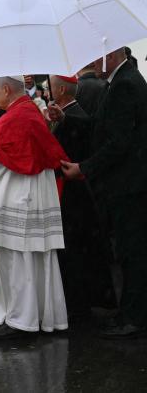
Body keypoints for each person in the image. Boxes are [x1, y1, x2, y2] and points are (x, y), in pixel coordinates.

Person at [0, 76, 69, 339]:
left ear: (6, 89)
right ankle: (26, 317)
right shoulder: (27, 112)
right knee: (27, 261)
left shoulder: (17, 117)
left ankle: (21, 322)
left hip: (17, 202)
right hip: (26, 200)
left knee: (18, 262)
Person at [62, 47, 147, 338]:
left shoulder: (125, 84)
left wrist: (84, 168)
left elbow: (118, 143)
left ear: (109, 55)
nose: (91, 62)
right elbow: (101, 127)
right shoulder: (119, 81)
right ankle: (128, 312)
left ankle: (134, 318)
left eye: (95, 55)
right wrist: (64, 117)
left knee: (132, 253)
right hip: (127, 184)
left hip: (130, 186)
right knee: (127, 251)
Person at [47, 75, 116, 318]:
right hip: (75, 193)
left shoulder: (77, 114)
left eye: (50, 86)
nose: (47, 90)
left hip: (75, 193)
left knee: (78, 251)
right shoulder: (69, 114)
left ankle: (80, 302)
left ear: (62, 89)